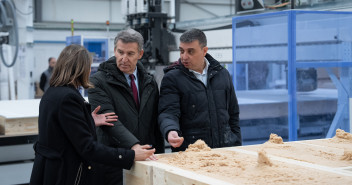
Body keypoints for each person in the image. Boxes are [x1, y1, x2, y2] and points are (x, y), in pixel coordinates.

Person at [29, 45, 155, 185]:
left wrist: (86, 120)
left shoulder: (52, 93)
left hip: (50, 172)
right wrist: (129, 155)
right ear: (80, 69)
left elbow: (61, 129)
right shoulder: (68, 98)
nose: (90, 71)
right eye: (88, 66)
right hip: (64, 174)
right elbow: (87, 148)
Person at [88, 29, 164, 185]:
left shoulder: (149, 81)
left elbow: (154, 122)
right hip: (114, 159)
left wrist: (158, 153)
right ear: (114, 50)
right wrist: (134, 147)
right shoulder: (98, 81)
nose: (124, 58)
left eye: (130, 54)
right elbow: (110, 120)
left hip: (146, 159)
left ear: (140, 54)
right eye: (120, 52)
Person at [158, 28, 242, 152]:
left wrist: (236, 141)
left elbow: (233, 112)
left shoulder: (222, 74)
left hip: (225, 150)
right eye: (181, 51)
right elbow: (168, 112)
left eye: (190, 51)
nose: (184, 57)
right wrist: (171, 130)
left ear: (204, 51)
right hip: (191, 153)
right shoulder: (172, 78)